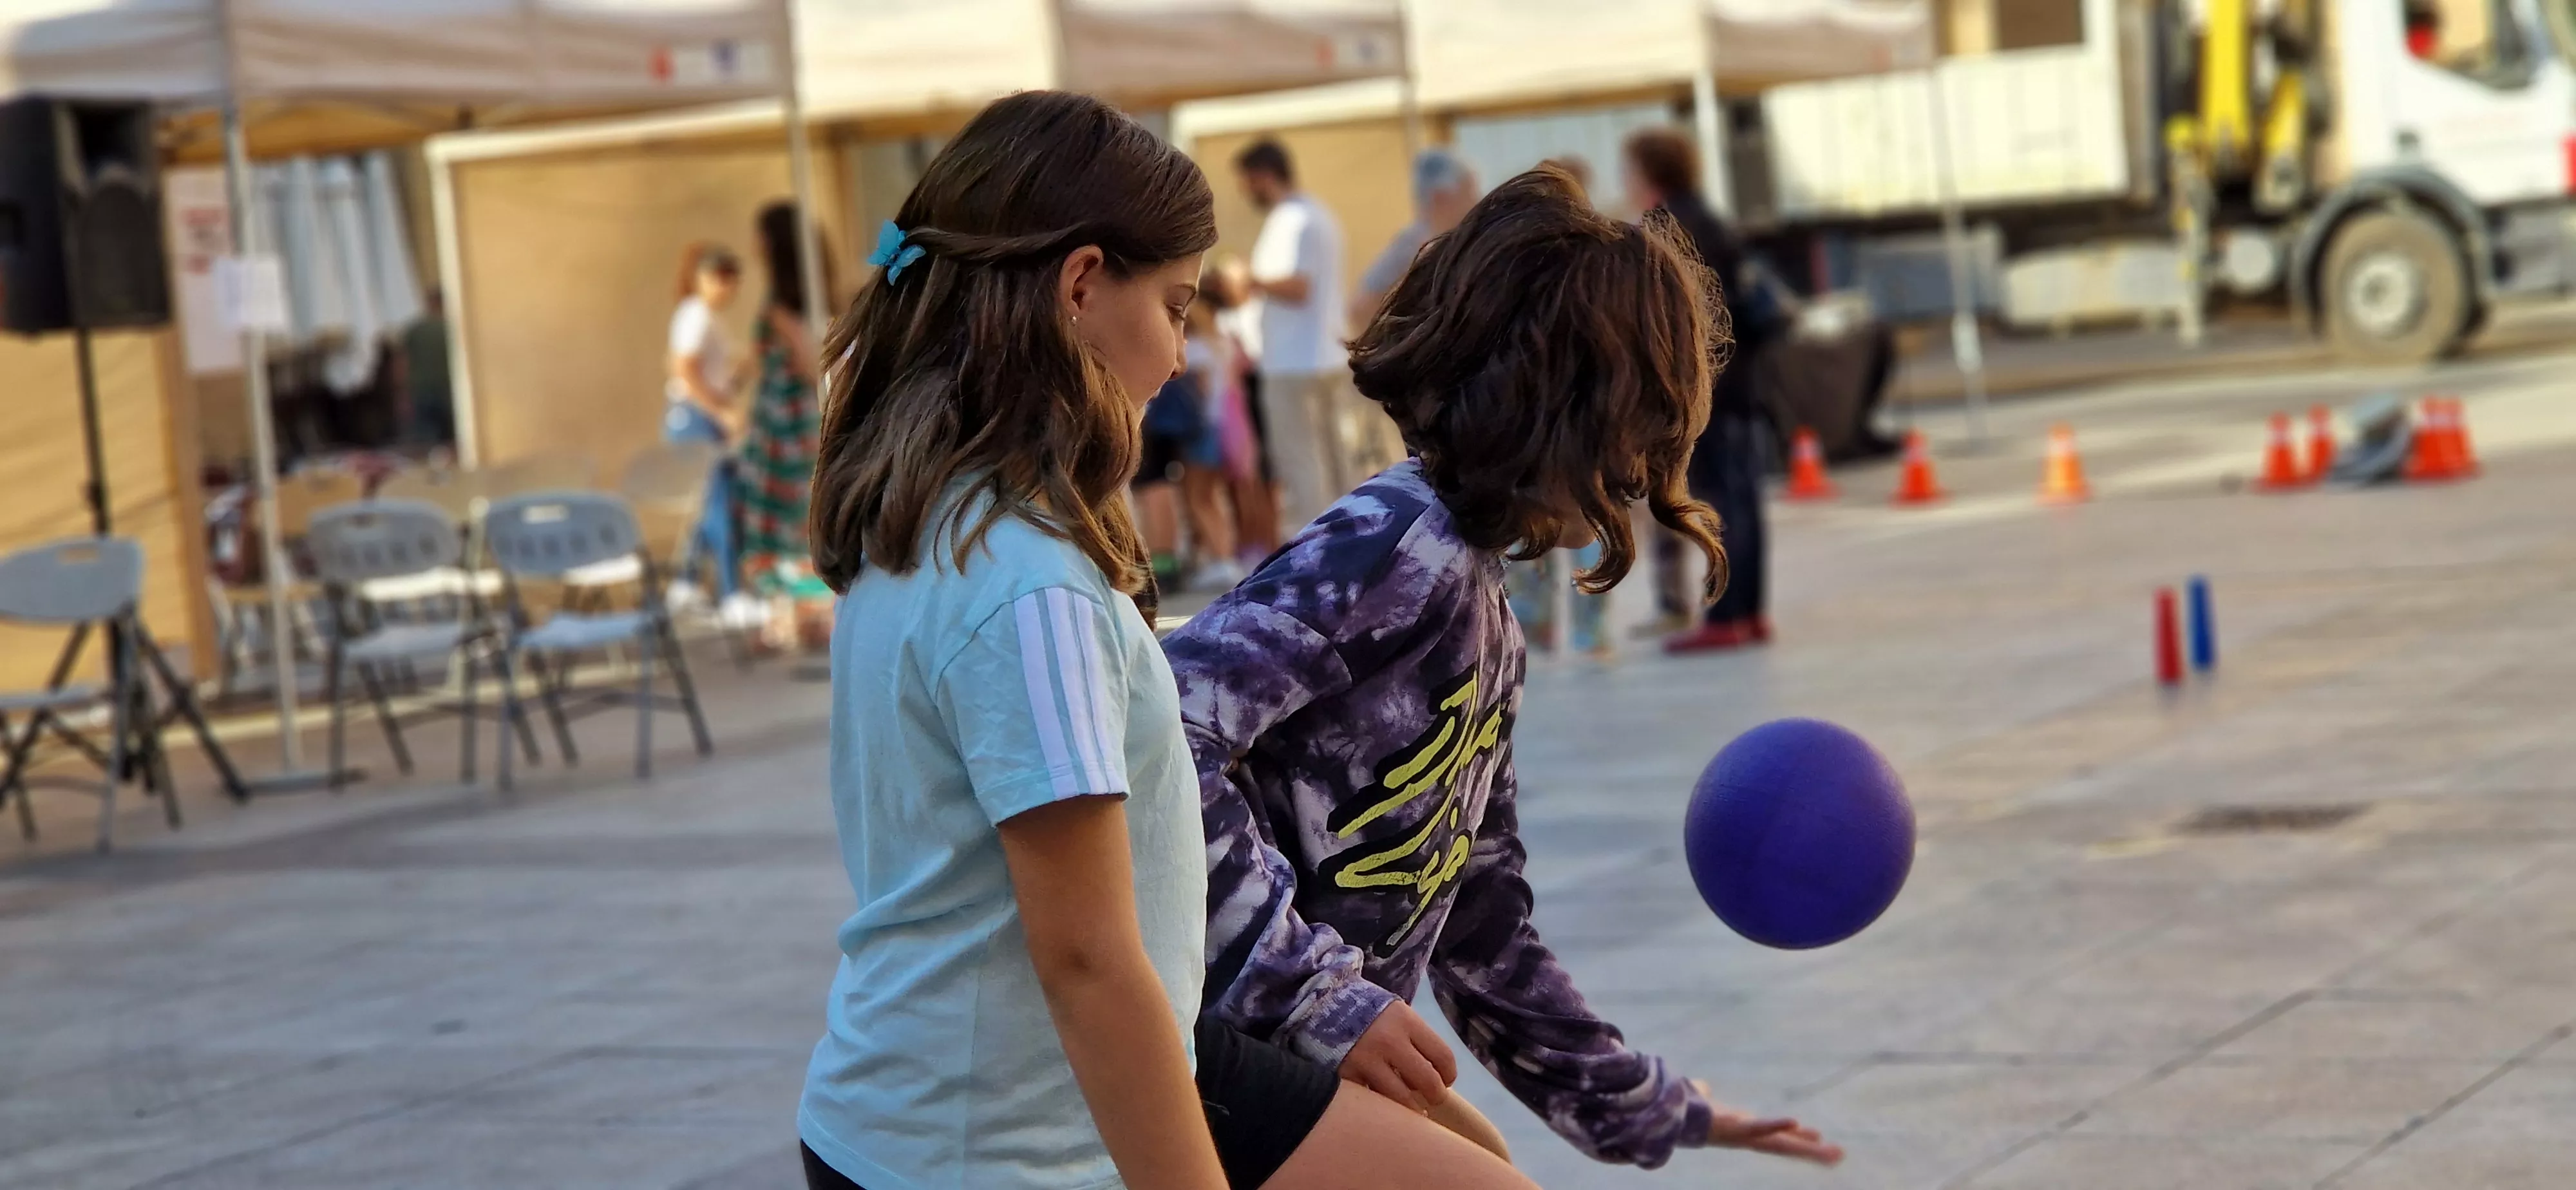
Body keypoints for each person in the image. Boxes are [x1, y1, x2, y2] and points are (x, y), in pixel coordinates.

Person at [799, 90, 1526, 1190]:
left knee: (1470, 1163)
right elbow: (1088, 964)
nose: (1182, 357)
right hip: (985, 1148)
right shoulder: (1022, 584)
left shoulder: (939, 522)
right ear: (1083, 285)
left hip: (1016, 1090)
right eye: (1176, 308)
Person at [1164, 166, 1843, 1176]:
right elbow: (1163, 727)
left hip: (1302, 1060)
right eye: (1647, 428)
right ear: (1568, 407)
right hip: (1207, 1053)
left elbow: (1479, 917)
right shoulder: (1394, 548)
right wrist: (1312, 993)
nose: (1658, 468)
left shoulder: (1479, 610)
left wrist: (1652, 1104)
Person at [1620, 127, 1781, 654]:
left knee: (1714, 505)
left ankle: (1724, 617)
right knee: (1744, 501)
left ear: (1647, 172)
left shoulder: (1665, 227)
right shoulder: (1712, 220)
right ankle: (1751, 612)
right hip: (1740, 380)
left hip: (1701, 386)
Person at [1235, 138, 1387, 533]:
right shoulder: (1320, 214)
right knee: (1338, 465)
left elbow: (1298, 287)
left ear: (1264, 177)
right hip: (1326, 356)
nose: (1246, 192)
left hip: (1293, 363)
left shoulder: (1291, 219)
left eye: (1248, 182)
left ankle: (1316, 554)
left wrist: (1248, 279)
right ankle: (1353, 544)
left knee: (1303, 467)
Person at [740, 202, 837, 651]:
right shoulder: (802, 295)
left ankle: (804, 615)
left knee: (792, 522)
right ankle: (798, 615)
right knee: (786, 522)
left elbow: (810, 362)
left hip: (792, 428)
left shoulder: (789, 302)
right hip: (783, 427)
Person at [663, 242, 758, 623]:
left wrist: (740, 377)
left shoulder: (708, 318)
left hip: (700, 416)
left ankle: (684, 584)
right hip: (695, 419)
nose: (726, 287)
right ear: (700, 279)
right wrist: (721, 412)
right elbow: (684, 370)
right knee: (721, 502)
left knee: (708, 505)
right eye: (719, 278)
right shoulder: (695, 315)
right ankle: (732, 594)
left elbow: (710, 377)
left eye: (731, 279)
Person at [1349, 147, 1479, 329]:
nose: (1476, 201)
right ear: (1440, 198)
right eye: (1468, 192)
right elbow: (1361, 309)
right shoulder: (1412, 246)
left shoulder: (1463, 241)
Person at [395, 285, 453, 450]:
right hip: (447, 389)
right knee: (451, 444)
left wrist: (402, 394)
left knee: (424, 444)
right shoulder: (451, 328)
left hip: (420, 391)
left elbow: (401, 363)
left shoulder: (414, 330)